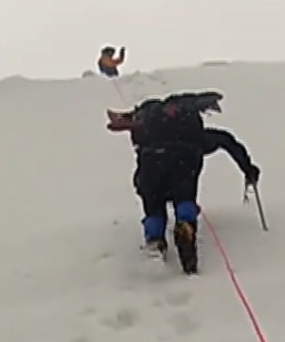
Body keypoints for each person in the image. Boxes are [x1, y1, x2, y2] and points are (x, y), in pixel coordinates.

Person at [107, 92, 261, 272]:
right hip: (184, 157)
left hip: (151, 160)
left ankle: (155, 240)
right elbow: (225, 140)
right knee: (184, 196)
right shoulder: (192, 129)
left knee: (153, 202)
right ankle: (185, 224)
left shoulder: (147, 116)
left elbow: (122, 125)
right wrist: (248, 169)